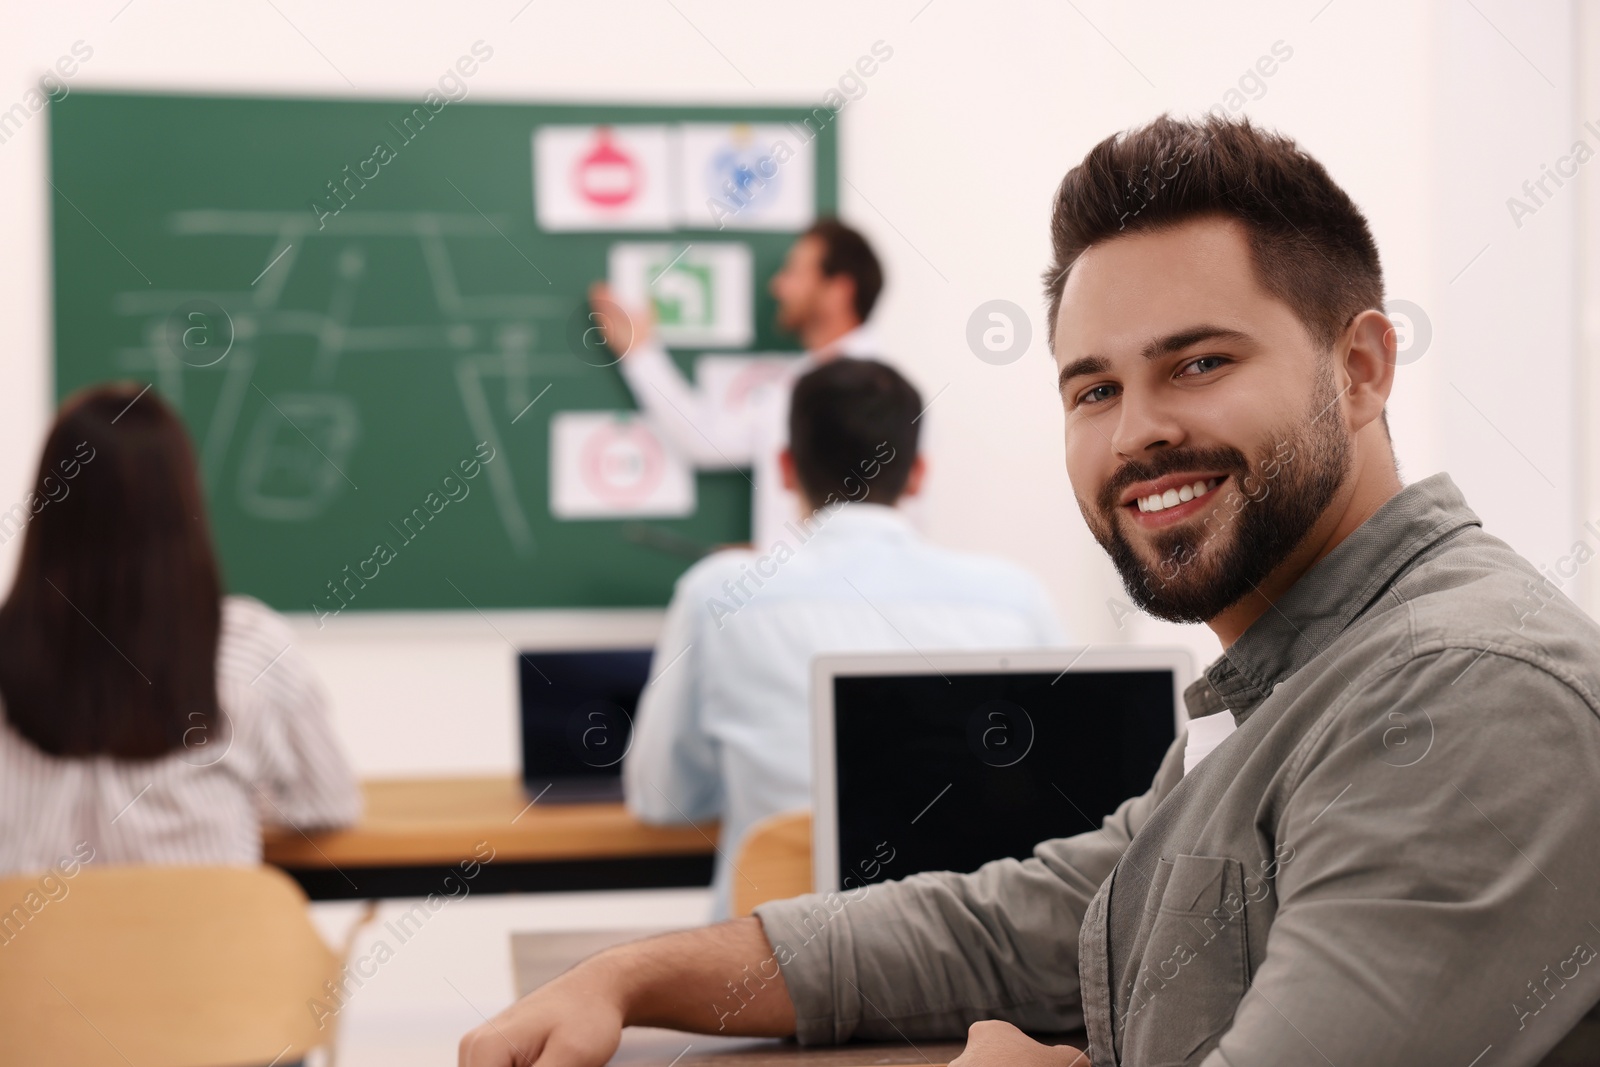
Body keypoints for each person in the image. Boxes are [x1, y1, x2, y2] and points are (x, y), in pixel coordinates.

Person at [460, 115, 1600, 1067]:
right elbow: (1016, 924)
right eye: (1093, 387)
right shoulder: (1297, 675)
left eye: (1199, 362)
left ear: (1359, 369)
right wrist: (633, 971)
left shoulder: (1461, 692)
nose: (1140, 430)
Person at [622, 357, 1066, 919]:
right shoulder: (1014, 598)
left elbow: (663, 800)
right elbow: (1057, 798)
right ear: (918, 474)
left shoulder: (717, 594)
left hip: (771, 971)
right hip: (972, 964)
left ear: (784, 468)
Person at [0, 384, 360, 876]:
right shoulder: (251, 647)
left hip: (29, 949)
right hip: (204, 949)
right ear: (182, 502)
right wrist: (232, 797)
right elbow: (329, 802)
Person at [588, 218, 883, 550]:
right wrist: (641, 351)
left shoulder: (884, 399)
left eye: (795, 273)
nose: (778, 286)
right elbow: (704, 439)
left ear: (839, 291)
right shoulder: (797, 384)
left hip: (835, 597)